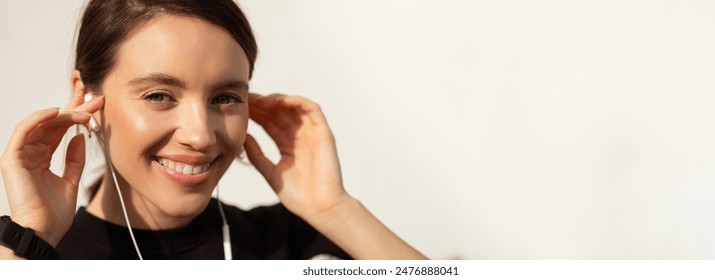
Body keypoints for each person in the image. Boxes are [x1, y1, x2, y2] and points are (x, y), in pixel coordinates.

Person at [0, 0, 426, 260]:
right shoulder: (35, 258)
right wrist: (30, 238)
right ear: (86, 95)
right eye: (159, 95)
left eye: (224, 97)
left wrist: (335, 211)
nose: (201, 135)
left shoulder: (289, 244)